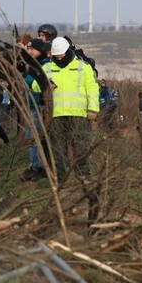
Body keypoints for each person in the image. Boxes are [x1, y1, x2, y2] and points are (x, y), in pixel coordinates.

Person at [41, 37, 99, 181]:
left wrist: (93, 109)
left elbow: (92, 89)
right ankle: (60, 178)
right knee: (58, 148)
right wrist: (45, 85)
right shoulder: (46, 68)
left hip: (78, 114)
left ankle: (83, 175)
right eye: (57, 56)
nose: (59, 58)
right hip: (56, 114)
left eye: (61, 55)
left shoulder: (83, 67)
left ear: (68, 52)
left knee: (81, 146)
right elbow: (36, 86)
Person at [21, 38, 51, 181]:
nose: (29, 51)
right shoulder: (33, 65)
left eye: (32, 49)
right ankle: (35, 165)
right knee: (31, 137)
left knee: (35, 137)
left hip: (39, 106)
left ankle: (38, 167)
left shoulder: (44, 66)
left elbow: (33, 83)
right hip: (31, 105)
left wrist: (26, 77)